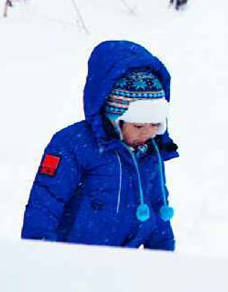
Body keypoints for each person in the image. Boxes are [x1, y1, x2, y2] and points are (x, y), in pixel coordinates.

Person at [21, 40, 178, 250]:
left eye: (156, 124)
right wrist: (38, 251)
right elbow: (46, 201)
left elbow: (158, 208)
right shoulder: (72, 145)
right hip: (70, 258)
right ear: (115, 118)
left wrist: (164, 258)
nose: (149, 133)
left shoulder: (151, 153)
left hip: (120, 264)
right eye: (139, 125)